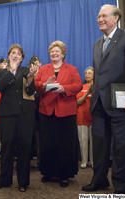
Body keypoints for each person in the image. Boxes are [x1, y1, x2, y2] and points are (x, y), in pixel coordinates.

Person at [82, 4, 125, 194]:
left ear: (116, 18)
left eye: (104, 16)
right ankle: (99, 180)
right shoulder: (97, 44)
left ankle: (120, 186)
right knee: (99, 146)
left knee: (121, 147)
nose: (100, 19)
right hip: (99, 104)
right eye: (98, 17)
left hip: (123, 104)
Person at [34, 40, 82, 188]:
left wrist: (64, 89)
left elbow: (78, 85)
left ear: (63, 54)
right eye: (52, 52)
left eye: (57, 51)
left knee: (65, 145)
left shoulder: (72, 69)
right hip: (46, 111)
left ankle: (64, 175)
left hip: (66, 112)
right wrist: (44, 85)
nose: (54, 54)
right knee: (47, 144)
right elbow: (35, 85)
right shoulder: (43, 69)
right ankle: (47, 172)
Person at [0, 44, 39, 192]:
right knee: (6, 148)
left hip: (25, 113)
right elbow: (0, 86)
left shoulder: (26, 71)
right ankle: (4, 180)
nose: (15, 55)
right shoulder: (1, 72)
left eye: (19, 54)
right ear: (8, 56)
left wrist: (31, 77)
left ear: (22, 58)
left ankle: (23, 182)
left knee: (24, 148)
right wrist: (11, 71)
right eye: (13, 53)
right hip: (7, 113)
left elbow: (31, 91)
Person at [77, 67, 94, 169]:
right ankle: (84, 161)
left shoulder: (97, 87)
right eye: (86, 73)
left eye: (89, 73)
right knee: (83, 141)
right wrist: (87, 93)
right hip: (81, 118)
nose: (87, 75)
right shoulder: (81, 87)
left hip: (94, 119)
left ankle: (92, 161)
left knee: (93, 142)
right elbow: (78, 102)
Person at [28, 55, 42, 168]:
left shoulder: (44, 77)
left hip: (40, 114)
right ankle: (26, 161)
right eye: (32, 65)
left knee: (40, 140)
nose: (35, 66)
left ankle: (40, 162)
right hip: (27, 114)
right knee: (27, 139)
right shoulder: (27, 78)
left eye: (36, 64)